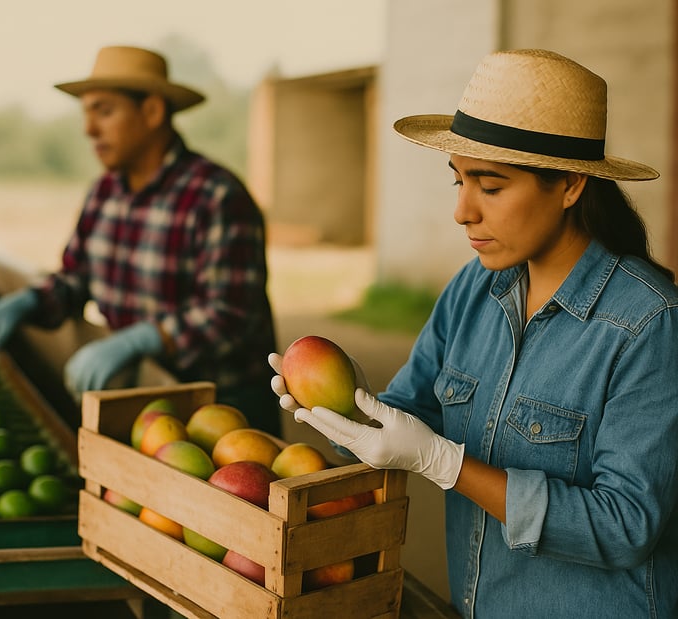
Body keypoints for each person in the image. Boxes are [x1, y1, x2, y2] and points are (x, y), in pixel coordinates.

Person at [269, 49, 678, 617]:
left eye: (490, 186)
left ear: (569, 185)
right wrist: (347, 407)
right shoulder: (472, 290)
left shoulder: (649, 324)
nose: (462, 211)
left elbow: (626, 525)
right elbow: (408, 418)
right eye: (458, 180)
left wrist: (448, 464)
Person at [0, 45, 281, 437]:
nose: (89, 129)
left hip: (224, 409)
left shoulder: (216, 195)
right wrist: (29, 301)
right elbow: (75, 277)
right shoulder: (104, 193)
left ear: (152, 112)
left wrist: (147, 338)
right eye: (86, 113)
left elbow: (230, 315)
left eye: (104, 111)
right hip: (146, 401)